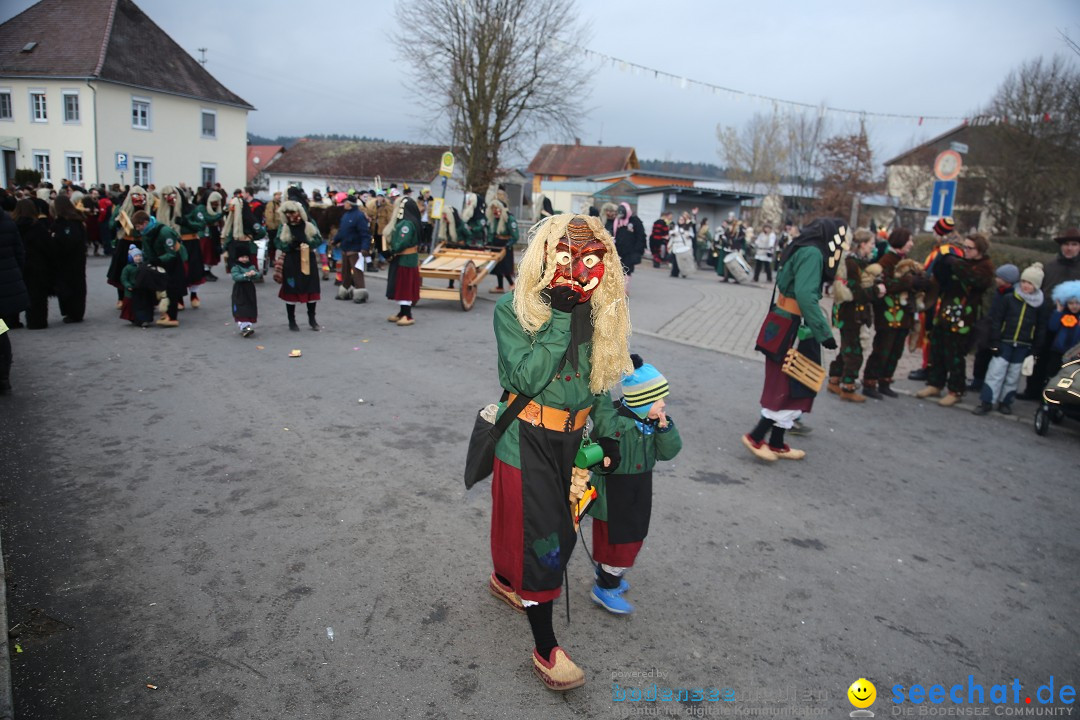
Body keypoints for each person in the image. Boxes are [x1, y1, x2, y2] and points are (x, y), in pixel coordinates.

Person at [487, 214, 629, 691]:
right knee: (543, 537)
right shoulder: (514, 309)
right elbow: (525, 378)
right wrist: (562, 317)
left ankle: (507, 579)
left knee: (555, 523)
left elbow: (602, 380)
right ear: (545, 258)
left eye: (588, 259)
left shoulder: (600, 310)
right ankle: (546, 647)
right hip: (527, 438)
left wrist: (607, 434)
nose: (576, 269)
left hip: (574, 440)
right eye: (565, 257)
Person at [742, 218, 845, 462]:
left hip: (786, 321)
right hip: (793, 325)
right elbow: (806, 295)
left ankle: (776, 442)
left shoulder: (804, 247)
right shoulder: (812, 253)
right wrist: (824, 333)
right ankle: (756, 437)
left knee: (794, 381)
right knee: (789, 383)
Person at [587, 354, 681, 615]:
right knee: (617, 544)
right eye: (657, 400)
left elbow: (668, 453)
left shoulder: (650, 424)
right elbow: (602, 426)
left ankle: (609, 576)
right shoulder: (620, 426)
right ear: (640, 402)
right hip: (615, 497)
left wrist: (665, 429)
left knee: (632, 537)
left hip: (638, 492)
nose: (663, 405)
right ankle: (604, 588)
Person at [914, 231, 995, 406]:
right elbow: (944, 281)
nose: (965, 250)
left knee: (955, 354)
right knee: (937, 348)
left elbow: (975, 281)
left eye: (970, 248)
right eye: (964, 246)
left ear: (979, 250)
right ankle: (935, 383)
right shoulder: (963, 262)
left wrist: (956, 263)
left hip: (964, 316)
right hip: (945, 310)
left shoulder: (985, 266)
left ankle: (956, 389)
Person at [971, 263, 1046, 416]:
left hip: (1024, 345)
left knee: (1013, 375)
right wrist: (995, 341)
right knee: (995, 372)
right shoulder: (1009, 299)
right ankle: (987, 401)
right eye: (1024, 281)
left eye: (1030, 283)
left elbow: (1040, 328)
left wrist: (1035, 349)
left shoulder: (1039, 306)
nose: (1026, 286)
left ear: (1036, 286)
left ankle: (1006, 402)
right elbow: (997, 320)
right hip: (1005, 342)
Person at [862, 228, 929, 398]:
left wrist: (919, 283)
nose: (912, 244)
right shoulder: (886, 261)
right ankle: (870, 382)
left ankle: (885, 381)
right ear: (900, 241)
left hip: (903, 315)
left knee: (896, 350)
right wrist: (908, 282)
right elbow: (885, 285)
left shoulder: (904, 260)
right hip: (888, 315)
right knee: (882, 349)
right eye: (909, 240)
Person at [1019, 227, 1080, 399]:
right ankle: (1032, 390)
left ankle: (1059, 394)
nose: (1069, 248)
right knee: (1041, 354)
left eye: (1074, 244)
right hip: (1048, 317)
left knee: (1065, 359)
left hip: (1072, 323)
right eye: (1066, 244)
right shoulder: (1050, 266)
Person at [826, 228, 883, 402]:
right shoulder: (851, 264)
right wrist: (876, 290)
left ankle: (835, 379)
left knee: (847, 348)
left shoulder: (861, 262)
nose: (873, 248)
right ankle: (848, 387)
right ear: (863, 244)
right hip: (850, 314)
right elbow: (856, 291)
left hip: (854, 314)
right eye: (871, 244)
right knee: (854, 351)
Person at [968, 264, 1019, 394]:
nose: (996, 279)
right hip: (990, 326)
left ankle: (983, 382)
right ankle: (978, 380)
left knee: (989, 356)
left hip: (997, 329)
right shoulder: (999, 292)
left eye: (999, 277)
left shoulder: (1009, 296)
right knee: (982, 354)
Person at [275, 201, 323, 331]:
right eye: (287, 213)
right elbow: (277, 242)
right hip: (291, 260)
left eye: (292, 212)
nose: (290, 215)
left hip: (308, 258)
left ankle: (312, 319)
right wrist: (288, 246)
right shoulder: (284, 226)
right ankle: (292, 320)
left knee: (311, 287)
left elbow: (319, 239)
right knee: (291, 289)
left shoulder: (309, 224)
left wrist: (307, 242)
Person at [132, 210, 184, 328]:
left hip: (171, 262)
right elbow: (147, 251)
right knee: (142, 281)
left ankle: (170, 316)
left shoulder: (165, 232)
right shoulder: (145, 233)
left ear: (145, 222)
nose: (137, 229)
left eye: (138, 226)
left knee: (170, 289)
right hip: (157, 260)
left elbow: (171, 253)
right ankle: (143, 316)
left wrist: (158, 260)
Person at [0, 190, 28, 393]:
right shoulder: (7, 222)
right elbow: (20, 254)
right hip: (6, 287)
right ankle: (3, 376)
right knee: (1, 334)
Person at [13, 198, 54, 329]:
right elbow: (48, 247)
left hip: (12, 267)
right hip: (36, 266)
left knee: (9, 297)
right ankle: (37, 322)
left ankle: (9, 324)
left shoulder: (11, 225)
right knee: (37, 296)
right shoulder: (37, 227)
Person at [106, 185, 149, 304]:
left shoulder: (147, 210)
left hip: (141, 243)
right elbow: (110, 224)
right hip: (125, 242)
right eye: (136, 196)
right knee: (122, 269)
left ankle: (143, 297)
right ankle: (121, 297)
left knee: (143, 270)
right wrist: (118, 222)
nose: (139, 199)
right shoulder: (122, 208)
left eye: (142, 196)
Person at [385, 197, 422, 326]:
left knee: (404, 286)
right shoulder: (409, 222)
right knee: (401, 285)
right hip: (405, 258)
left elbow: (403, 242)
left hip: (405, 259)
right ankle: (402, 312)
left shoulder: (406, 224)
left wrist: (392, 250)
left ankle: (407, 314)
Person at [331, 194, 371, 303]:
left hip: (355, 249)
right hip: (345, 248)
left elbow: (365, 234)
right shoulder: (345, 216)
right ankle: (345, 291)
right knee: (345, 272)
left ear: (350, 204)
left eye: (346, 202)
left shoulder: (359, 216)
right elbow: (342, 231)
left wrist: (365, 247)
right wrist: (335, 240)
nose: (344, 204)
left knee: (357, 272)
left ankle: (360, 293)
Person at [1046, 280, 1080, 380]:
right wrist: (1058, 312)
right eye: (1071, 303)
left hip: (1074, 354)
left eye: (1077, 303)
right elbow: (1052, 327)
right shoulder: (1061, 314)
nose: (1074, 306)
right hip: (1057, 351)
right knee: (1053, 375)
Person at [605, 202, 646, 282]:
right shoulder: (617, 221)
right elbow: (611, 232)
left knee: (626, 270)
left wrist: (638, 251)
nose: (620, 214)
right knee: (616, 270)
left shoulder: (635, 221)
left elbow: (641, 236)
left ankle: (624, 289)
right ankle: (617, 289)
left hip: (630, 252)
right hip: (617, 250)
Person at [487, 198, 519, 293]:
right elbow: (491, 233)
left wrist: (508, 245)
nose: (495, 211)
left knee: (505, 266)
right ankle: (500, 286)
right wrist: (489, 243)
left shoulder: (509, 218)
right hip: (496, 244)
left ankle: (512, 283)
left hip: (506, 244)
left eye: (497, 208)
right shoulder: (494, 219)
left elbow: (515, 236)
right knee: (497, 266)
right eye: (493, 209)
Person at [118, 244, 153, 327]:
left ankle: (143, 319)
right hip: (131, 290)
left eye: (139, 256)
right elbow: (124, 278)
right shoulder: (128, 268)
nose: (138, 258)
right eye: (136, 256)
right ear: (131, 258)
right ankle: (134, 318)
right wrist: (127, 285)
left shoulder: (144, 266)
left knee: (143, 305)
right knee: (131, 306)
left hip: (142, 290)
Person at [230, 245, 260, 338]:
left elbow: (258, 274)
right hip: (240, 290)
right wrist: (245, 275)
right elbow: (235, 277)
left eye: (246, 257)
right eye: (242, 257)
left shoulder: (251, 266)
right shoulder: (236, 267)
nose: (244, 259)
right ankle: (245, 327)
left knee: (249, 306)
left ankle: (247, 326)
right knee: (241, 307)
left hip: (249, 289)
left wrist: (254, 274)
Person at [668, 212, 695, 278]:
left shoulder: (688, 227)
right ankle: (674, 273)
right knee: (675, 260)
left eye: (682, 220)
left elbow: (692, 235)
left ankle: (684, 272)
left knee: (683, 260)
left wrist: (687, 234)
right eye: (680, 219)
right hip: (675, 245)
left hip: (683, 245)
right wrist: (673, 233)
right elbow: (670, 233)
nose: (681, 221)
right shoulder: (675, 227)